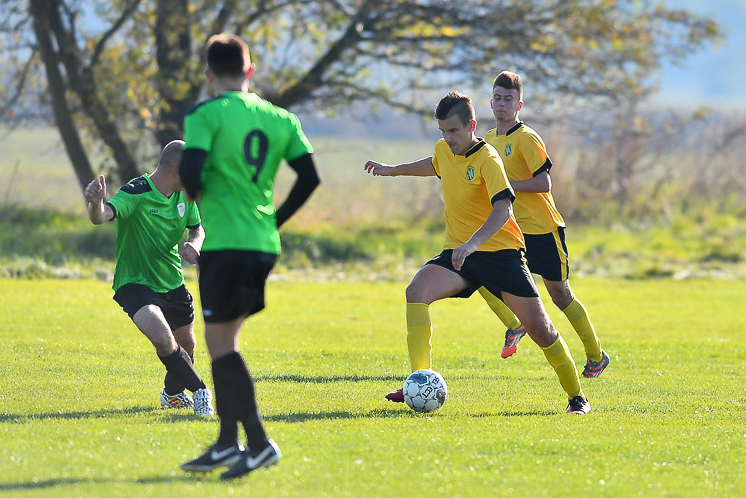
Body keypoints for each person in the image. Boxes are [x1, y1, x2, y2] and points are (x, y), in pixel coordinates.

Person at [364, 91, 591, 415]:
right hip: (459, 254)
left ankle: (577, 397)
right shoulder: (444, 150)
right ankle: (420, 380)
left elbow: (504, 209)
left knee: (541, 330)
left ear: (471, 126)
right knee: (416, 291)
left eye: (454, 131)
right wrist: (392, 170)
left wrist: (472, 244)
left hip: (502, 255)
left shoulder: (488, 159)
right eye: (443, 131)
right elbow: (434, 164)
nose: (448, 138)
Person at [178, 33, 320, 480]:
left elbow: (190, 172)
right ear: (250, 71)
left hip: (226, 244)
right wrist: (275, 220)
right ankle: (226, 442)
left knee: (221, 345)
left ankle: (257, 443)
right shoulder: (281, 118)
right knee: (226, 341)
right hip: (262, 244)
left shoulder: (205, 114)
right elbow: (310, 177)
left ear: (208, 75)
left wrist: (196, 191)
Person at [480, 70, 609, 378]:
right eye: (497, 98)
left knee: (560, 296)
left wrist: (506, 186)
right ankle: (515, 325)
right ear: (491, 102)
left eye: (508, 99)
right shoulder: (488, 140)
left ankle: (596, 356)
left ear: (519, 105)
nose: (502, 104)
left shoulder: (526, 138)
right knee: (476, 269)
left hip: (543, 230)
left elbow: (544, 183)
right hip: (512, 231)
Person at [83, 140, 214, 415]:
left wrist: (195, 245)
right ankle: (201, 391)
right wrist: (96, 204)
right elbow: (102, 216)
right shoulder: (136, 191)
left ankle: (172, 394)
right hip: (135, 282)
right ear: (177, 172)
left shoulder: (183, 196)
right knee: (163, 338)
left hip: (172, 281)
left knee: (187, 344)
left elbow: (197, 228)